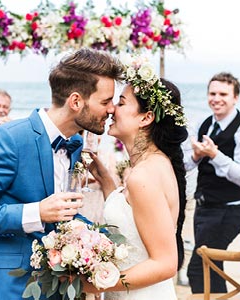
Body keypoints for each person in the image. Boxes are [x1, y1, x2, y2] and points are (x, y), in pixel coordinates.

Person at [0, 48, 123, 299]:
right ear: (76, 101)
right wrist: (36, 212)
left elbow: (60, 217)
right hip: (6, 285)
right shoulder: (9, 139)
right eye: (105, 101)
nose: (111, 110)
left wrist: (104, 243)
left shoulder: (72, 146)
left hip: (54, 284)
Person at [82, 56, 188, 299]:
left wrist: (94, 283)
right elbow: (133, 219)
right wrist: (107, 181)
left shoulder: (144, 176)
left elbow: (165, 264)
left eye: (120, 102)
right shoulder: (151, 165)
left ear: (146, 117)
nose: (111, 109)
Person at [184, 72, 240, 293]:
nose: (216, 99)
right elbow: (187, 165)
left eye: (223, 94)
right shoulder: (205, 124)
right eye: (212, 93)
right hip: (203, 209)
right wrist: (197, 156)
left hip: (228, 211)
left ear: (235, 97)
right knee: (212, 267)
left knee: (199, 269)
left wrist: (216, 155)